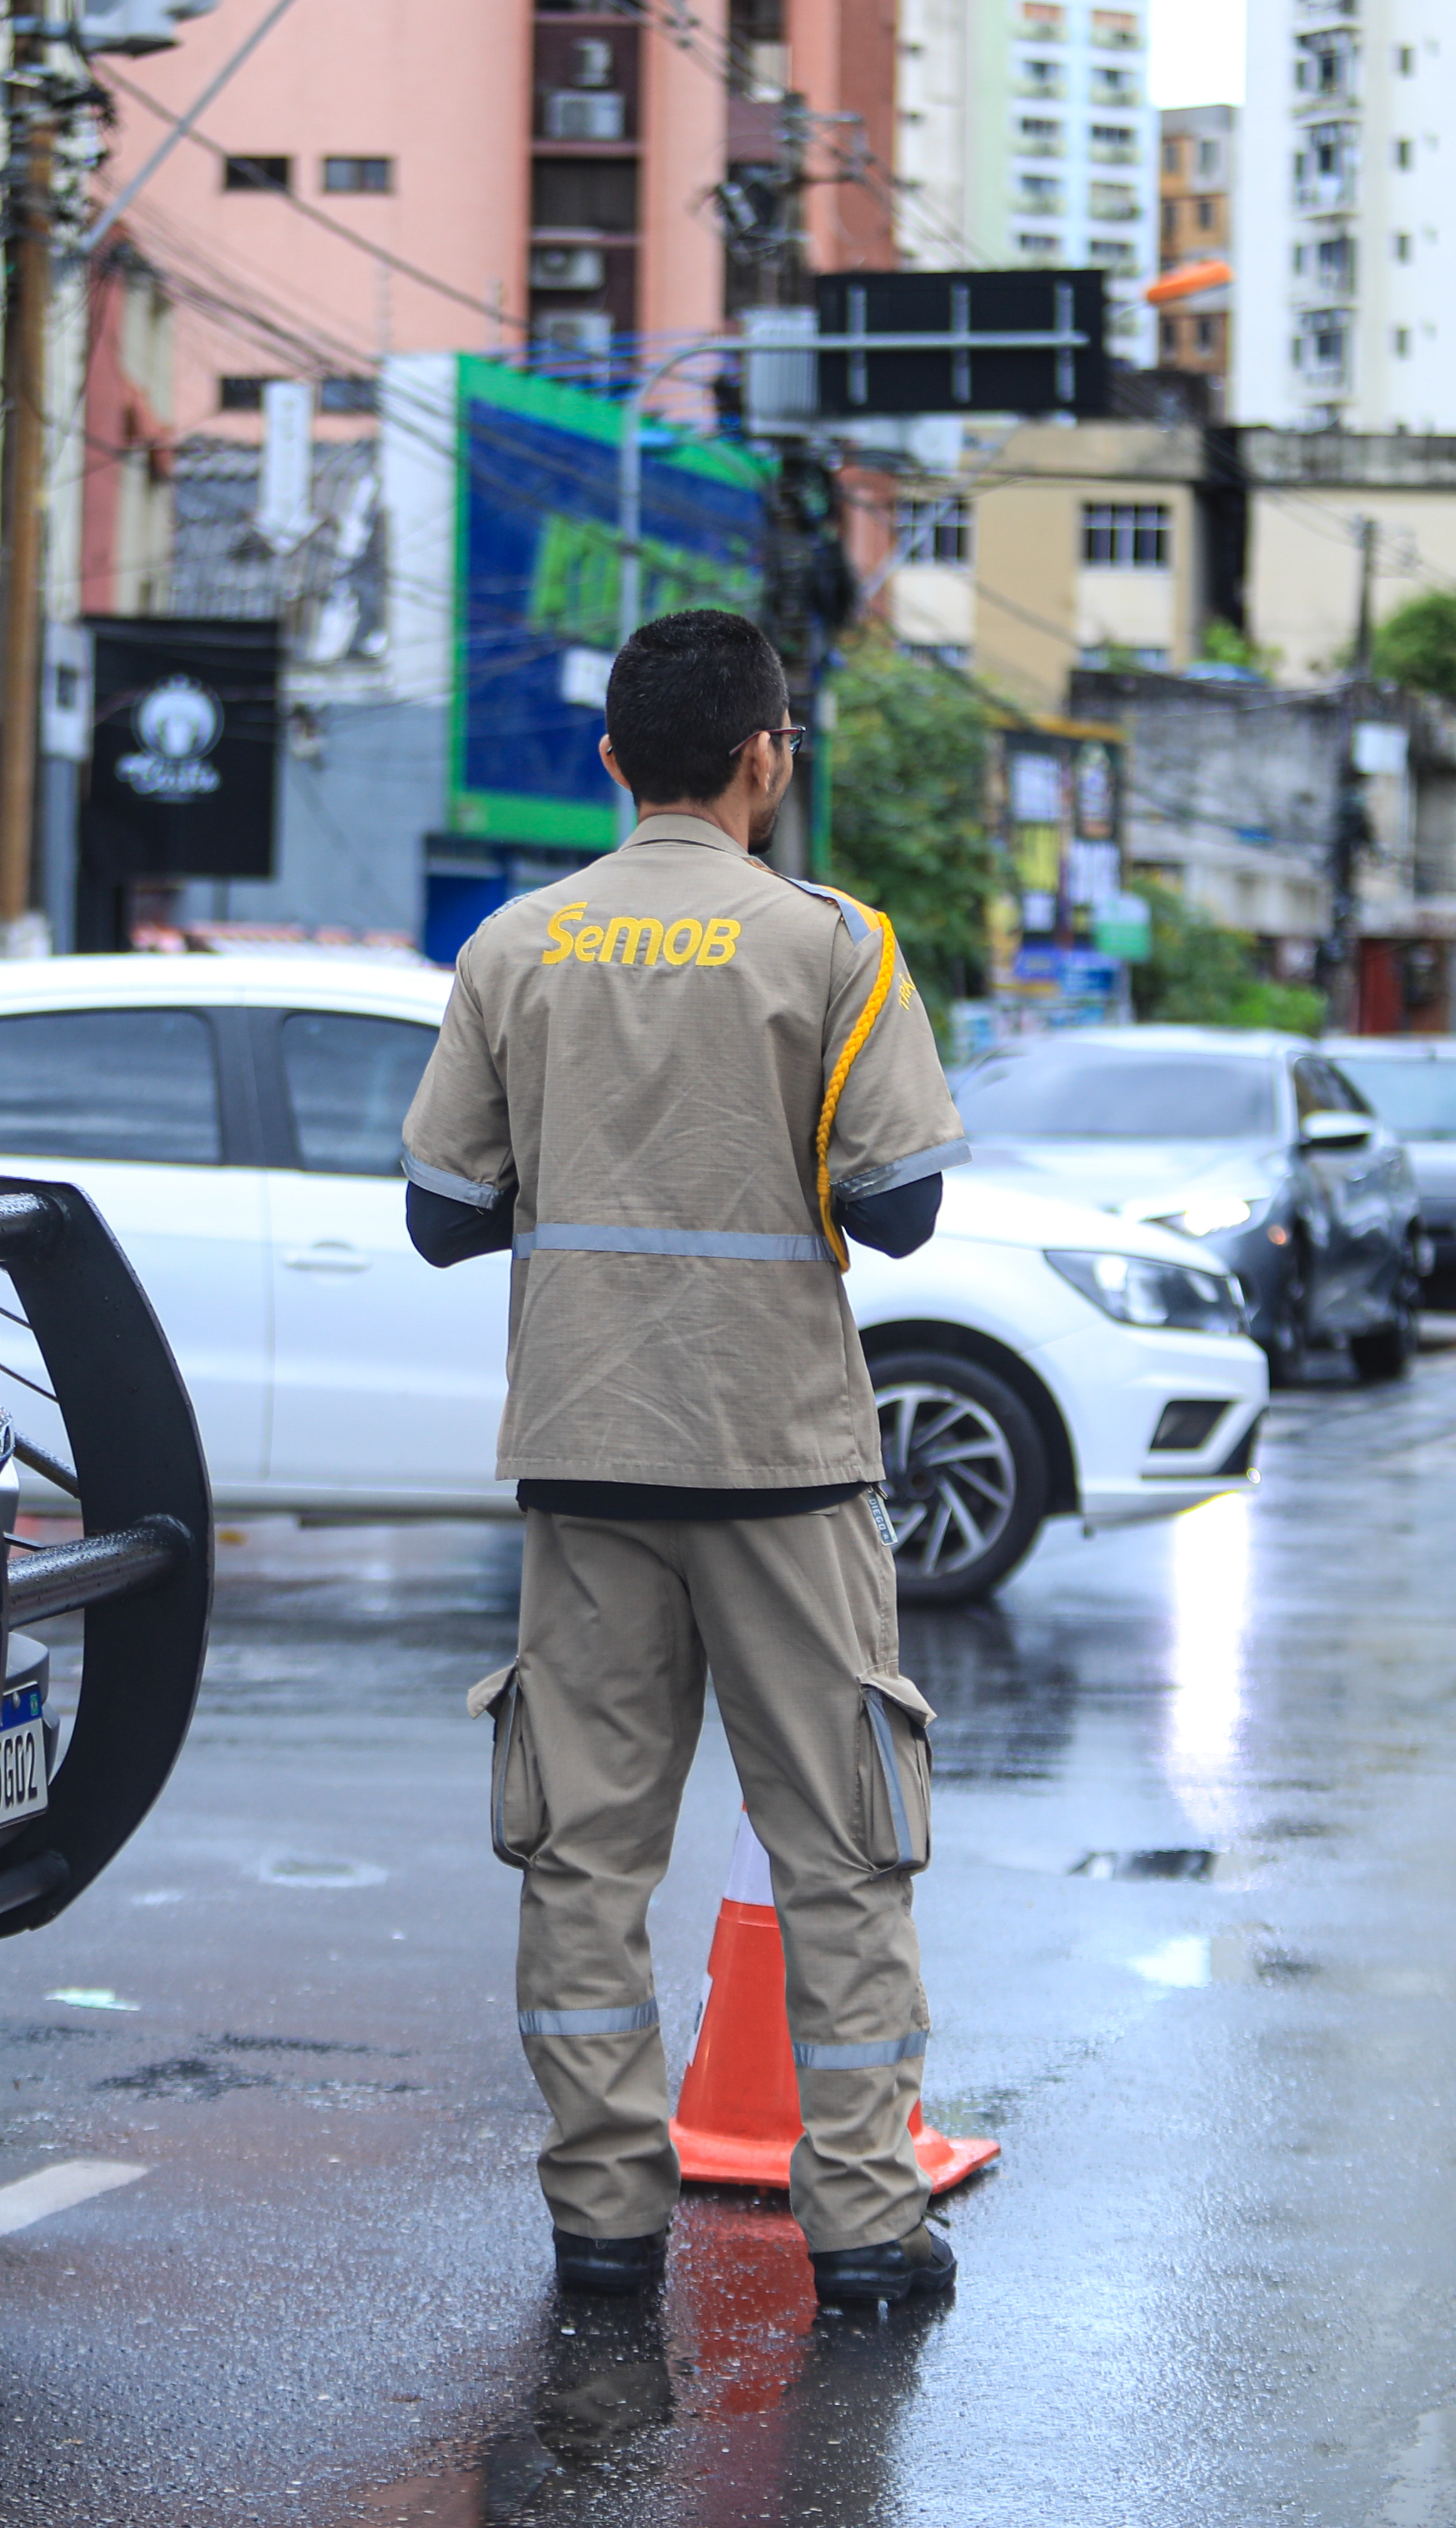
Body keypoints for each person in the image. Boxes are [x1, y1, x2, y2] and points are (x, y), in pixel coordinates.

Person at [397, 608, 971, 2315]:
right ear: (764, 759)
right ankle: (863, 2224)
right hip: (785, 1465)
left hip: (586, 1461)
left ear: (611, 764)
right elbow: (905, 1208)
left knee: (585, 1853)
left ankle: (601, 2219)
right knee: (841, 1853)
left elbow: (438, 1218)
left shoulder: (520, 944)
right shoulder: (834, 947)